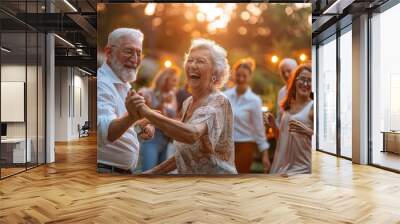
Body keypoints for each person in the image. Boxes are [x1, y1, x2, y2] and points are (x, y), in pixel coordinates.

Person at [126, 38, 237, 174]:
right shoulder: (188, 103)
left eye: (200, 61)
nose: (193, 65)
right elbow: (186, 153)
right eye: (190, 60)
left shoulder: (219, 101)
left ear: (215, 72)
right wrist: (152, 172)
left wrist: (148, 113)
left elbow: (192, 134)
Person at [97, 28, 155, 174]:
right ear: (109, 52)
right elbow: (106, 132)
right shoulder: (100, 83)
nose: (135, 58)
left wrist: (139, 126)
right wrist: (133, 116)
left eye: (139, 53)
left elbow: (120, 125)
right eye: (129, 51)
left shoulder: (124, 84)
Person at [224, 58, 270, 173]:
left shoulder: (254, 100)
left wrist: (265, 153)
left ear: (249, 77)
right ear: (234, 75)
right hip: (226, 147)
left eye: (244, 76)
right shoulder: (225, 96)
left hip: (245, 147)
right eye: (238, 75)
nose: (241, 79)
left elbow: (258, 128)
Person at [265, 64, 313, 175]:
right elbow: (280, 139)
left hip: (302, 167)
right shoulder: (287, 107)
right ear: (295, 81)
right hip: (281, 166)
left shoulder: (313, 107)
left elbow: (326, 142)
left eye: (309, 80)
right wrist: (272, 124)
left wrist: (308, 132)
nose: (305, 84)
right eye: (302, 79)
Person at [138, 67, 180, 171]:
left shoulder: (172, 96)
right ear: (165, 79)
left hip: (165, 140)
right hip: (151, 139)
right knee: (148, 172)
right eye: (173, 81)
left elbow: (172, 117)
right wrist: (162, 102)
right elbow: (147, 116)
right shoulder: (147, 93)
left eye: (177, 81)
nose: (175, 84)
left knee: (160, 176)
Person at [276, 58, 298, 124]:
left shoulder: (303, 90)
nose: (286, 75)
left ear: (296, 70)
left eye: (289, 71)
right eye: (283, 72)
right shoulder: (281, 92)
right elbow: (279, 118)